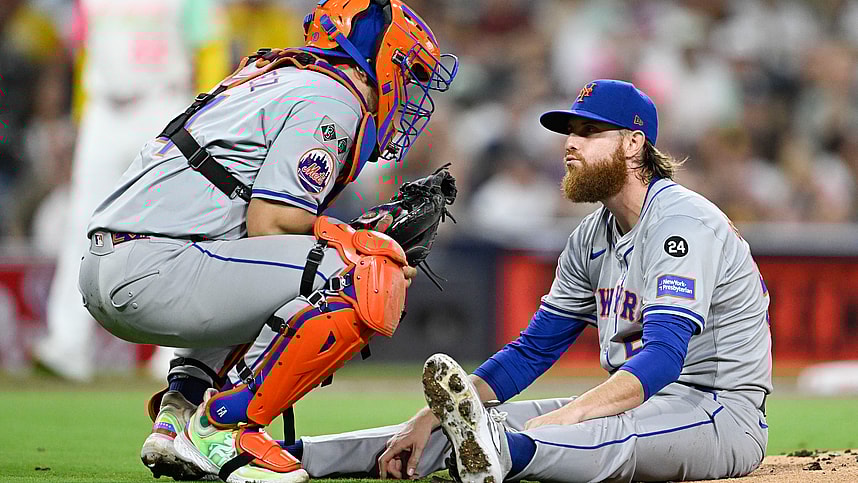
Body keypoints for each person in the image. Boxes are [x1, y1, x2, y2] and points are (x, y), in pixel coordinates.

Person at [285, 79, 772, 483]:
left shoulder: (681, 223)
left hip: (718, 412)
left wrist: (569, 416)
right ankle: (288, 455)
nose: (570, 144)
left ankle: (506, 454)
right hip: (636, 405)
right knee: (454, 429)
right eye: (568, 132)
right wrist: (431, 416)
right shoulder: (591, 237)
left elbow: (665, 358)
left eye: (589, 131)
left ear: (634, 142)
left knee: (595, 438)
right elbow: (532, 351)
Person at [76, 1, 458, 482]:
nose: (408, 90)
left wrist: (344, 235)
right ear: (379, 56)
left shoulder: (277, 74)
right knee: (363, 273)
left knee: (292, 270)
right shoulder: (333, 98)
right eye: (410, 71)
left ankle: (177, 418)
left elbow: (257, 235)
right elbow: (273, 223)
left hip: (118, 263)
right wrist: (358, 241)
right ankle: (223, 428)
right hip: (153, 268)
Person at [33, 0, 229, 382]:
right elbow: (84, 50)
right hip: (103, 109)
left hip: (163, 102)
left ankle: (173, 352)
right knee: (83, 222)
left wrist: (207, 115)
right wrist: (79, 116)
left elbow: (210, 46)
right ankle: (67, 345)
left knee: (175, 225)